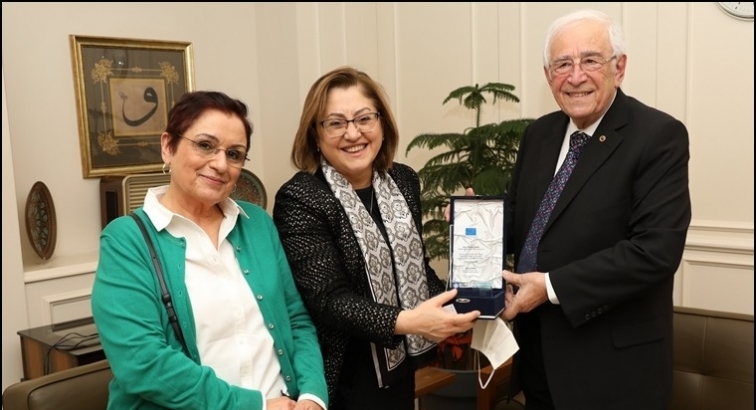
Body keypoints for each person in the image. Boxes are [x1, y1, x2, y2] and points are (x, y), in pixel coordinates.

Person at [498, 9, 691, 410]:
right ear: (548, 75)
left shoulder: (658, 136)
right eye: (562, 64)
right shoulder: (538, 134)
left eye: (590, 60)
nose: (575, 76)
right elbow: (526, 224)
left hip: (613, 373)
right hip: (539, 362)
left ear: (619, 68)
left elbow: (654, 252)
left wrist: (550, 287)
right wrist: (477, 223)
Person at [91, 91, 327, 410]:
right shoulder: (125, 240)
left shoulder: (257, 223)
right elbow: (142, 363)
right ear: (168, 146)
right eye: (205, 145)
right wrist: (256, 406)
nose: (220, 164)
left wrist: (312, 395)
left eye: (234, 154)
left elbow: (296, 319)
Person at [272, 66, 480, 410]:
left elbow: (415, 269)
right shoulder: (301, 198)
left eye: (364, 118)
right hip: (343, 375)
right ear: (315, 134)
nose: (353, 133)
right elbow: (329, 300)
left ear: (382, 123)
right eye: (336, 123)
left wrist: (473, 245)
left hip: (401, 367)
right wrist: (410, 322)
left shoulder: (403, 181)